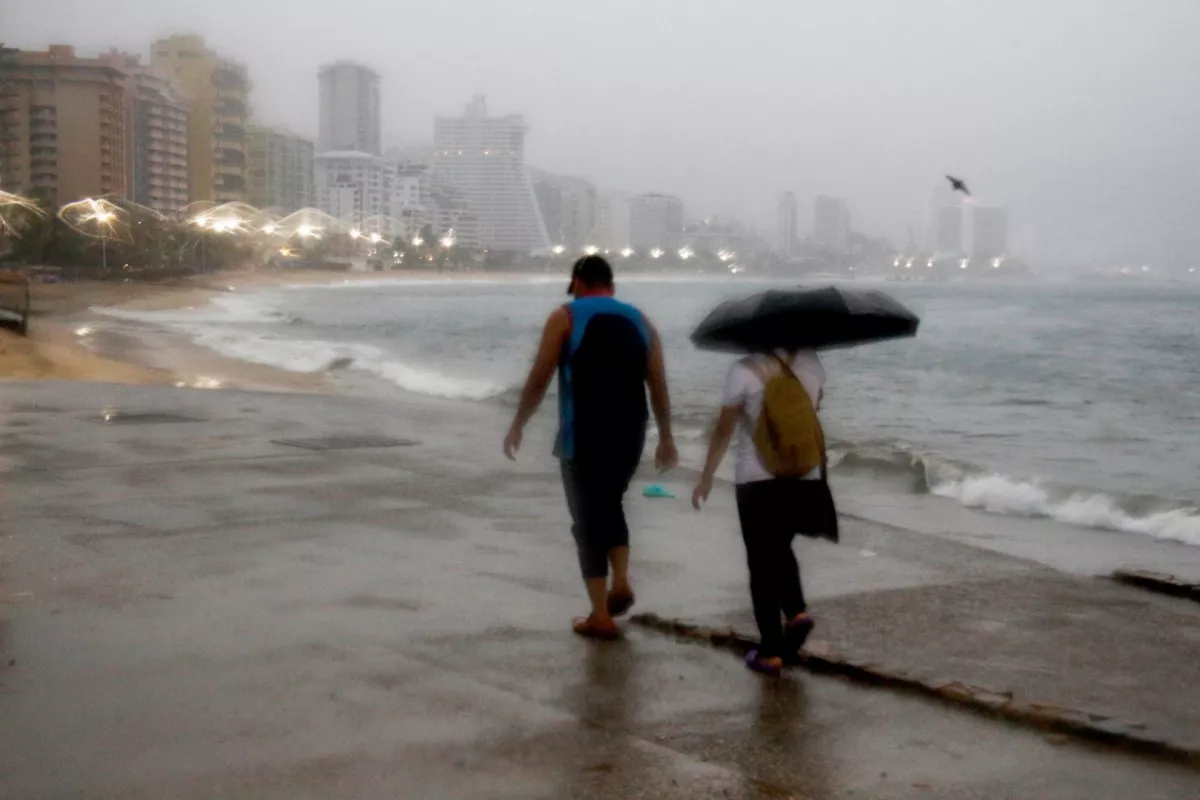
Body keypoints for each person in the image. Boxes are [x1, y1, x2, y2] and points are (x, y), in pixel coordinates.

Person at [505, 255, 678, 639]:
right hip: (632, 432)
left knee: (586, 518)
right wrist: (666, 436)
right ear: (611, 287)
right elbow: (658, 383)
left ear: (579, 282)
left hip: (583, 433)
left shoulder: (565, 317)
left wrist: (519, 422)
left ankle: (600, 615)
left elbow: (539, 377)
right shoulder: (641, 321)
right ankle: (620, 580)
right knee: (610, 502)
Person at [691, 349, 838, 674]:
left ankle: (770, 651)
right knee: (780, 548)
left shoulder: (743, 369)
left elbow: (724, 430)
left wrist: (706, 477)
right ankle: (797, 613)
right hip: (803, 476)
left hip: (757, 479)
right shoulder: (811, 363)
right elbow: (813, 410)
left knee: (761, 563)